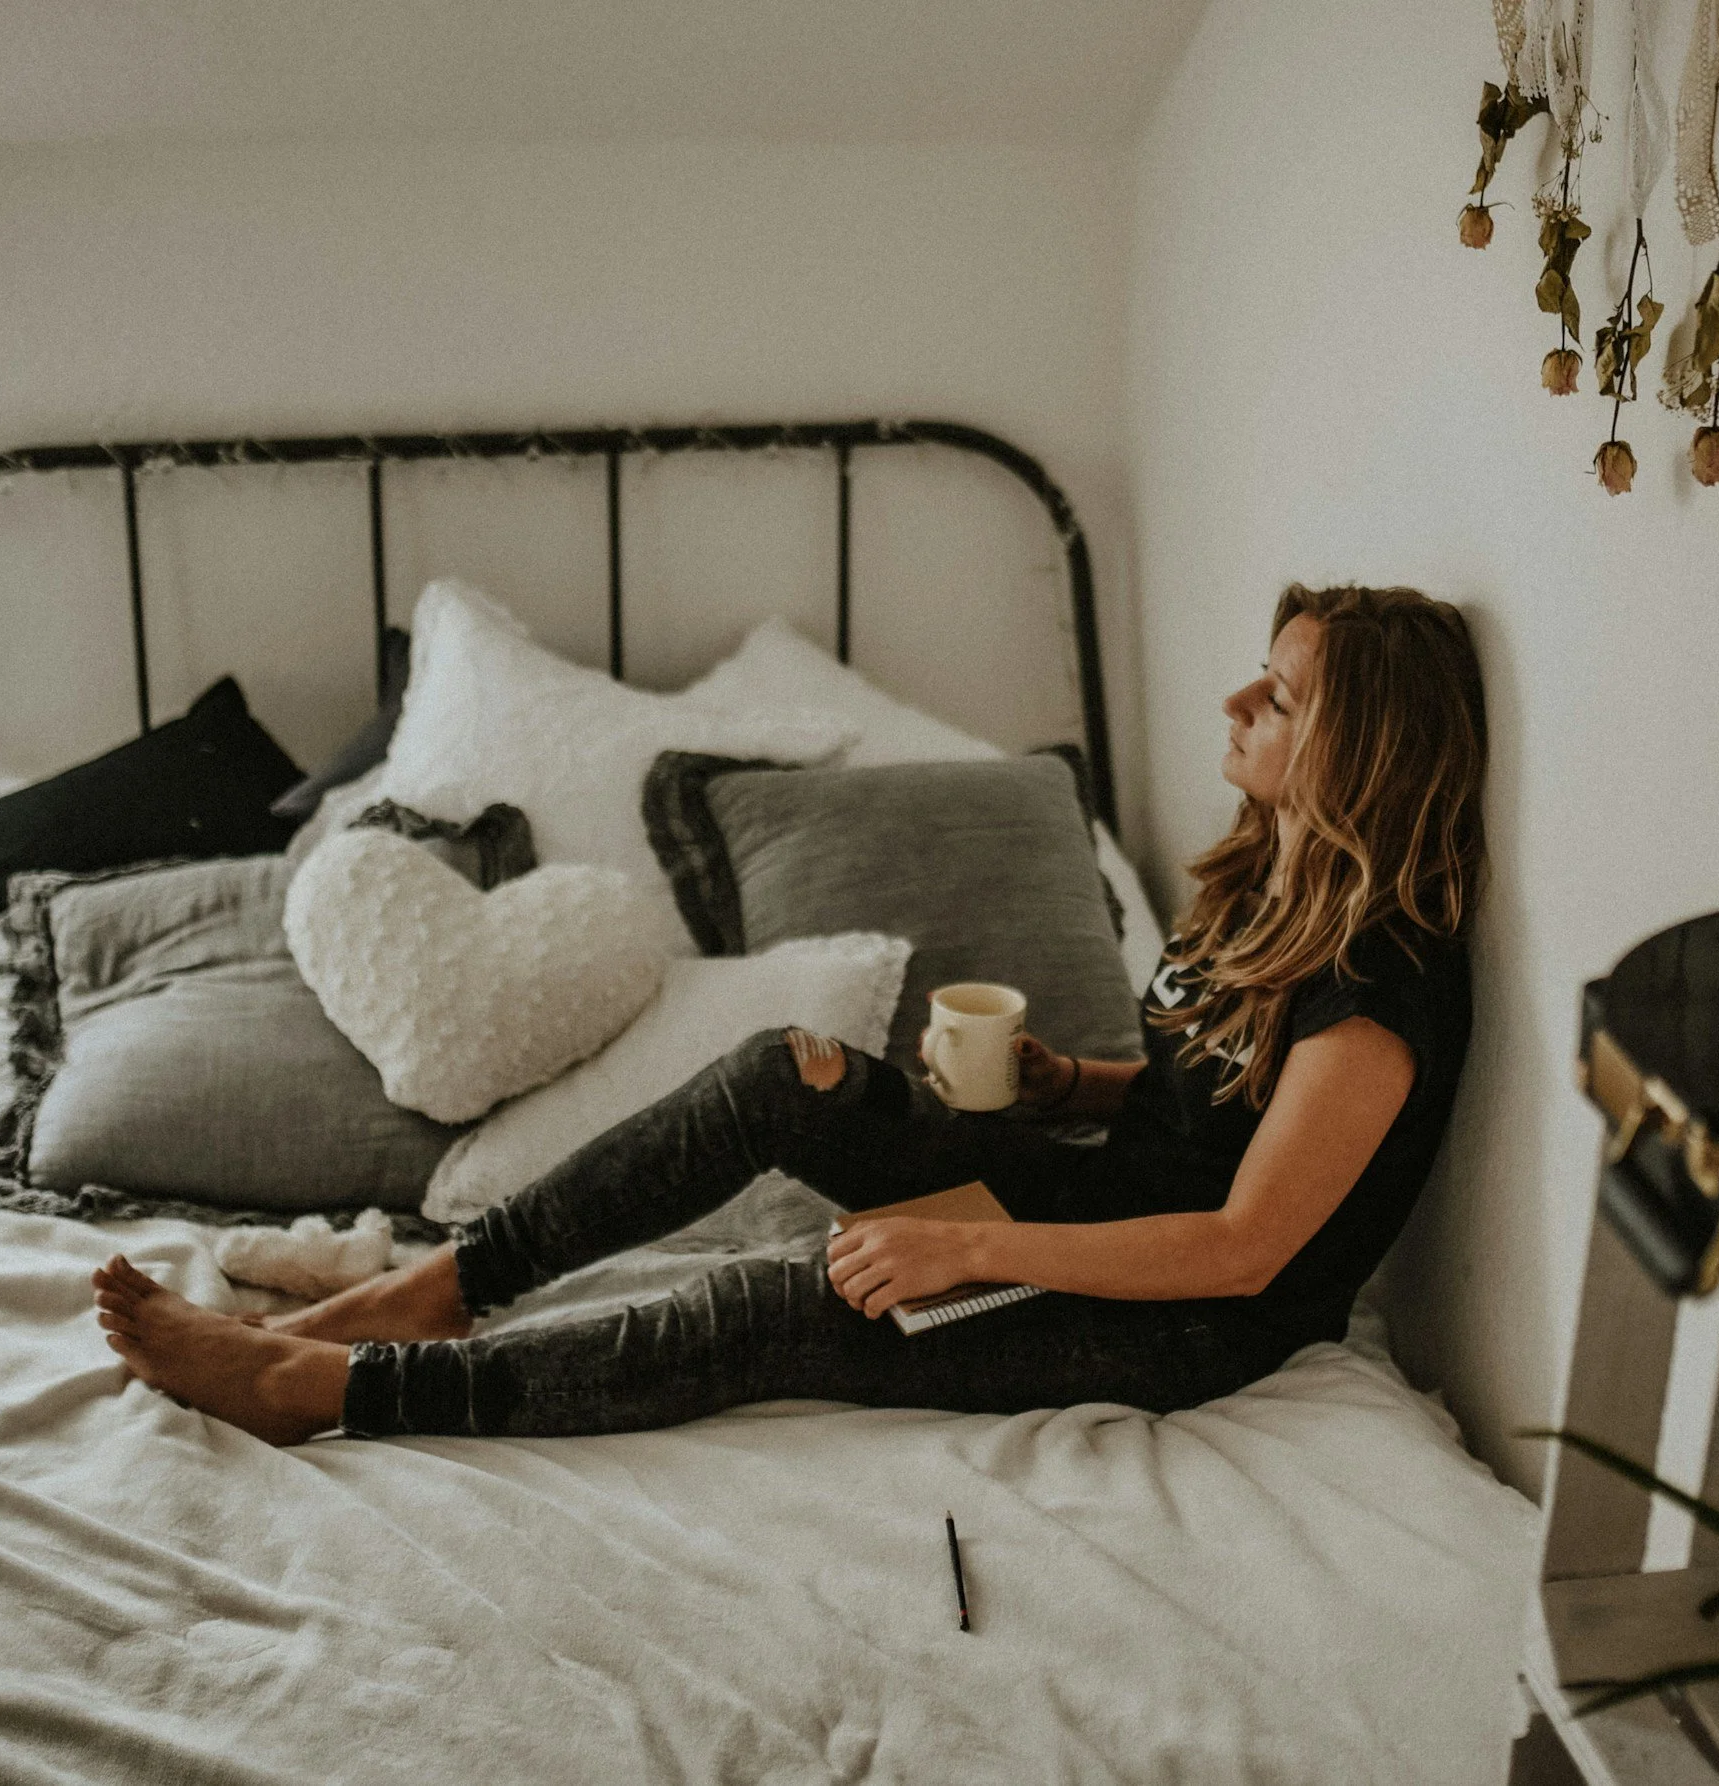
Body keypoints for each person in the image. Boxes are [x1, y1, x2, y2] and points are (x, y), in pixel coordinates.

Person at [92, 584, 1488, 1446]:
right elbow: (1210, 1108)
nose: (1239, 697)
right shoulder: (1265, 885)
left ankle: (334, 1392)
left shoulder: (1383, 991)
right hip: (1083, 1202)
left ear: (1355, 750)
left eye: (1282, 694)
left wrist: (960, 1239)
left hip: (1175, 1317)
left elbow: (1244, 1248)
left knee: (786, 1299)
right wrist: (1078, 1083)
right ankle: (435, 1289)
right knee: (787, 1076)